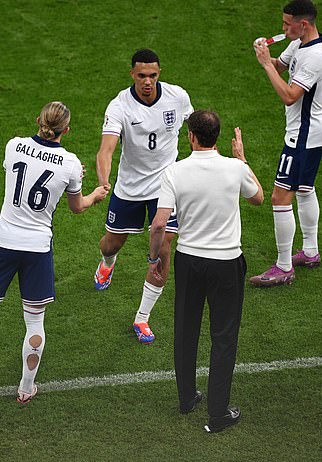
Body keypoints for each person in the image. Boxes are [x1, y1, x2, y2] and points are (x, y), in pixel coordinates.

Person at [0, 102, 109, 404]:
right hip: (38, 249)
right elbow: (76, 206)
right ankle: (26, 388)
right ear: (66, 130)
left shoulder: (14, 146)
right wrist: (94, 195)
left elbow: (29, 171)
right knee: (34, 321)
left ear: (38, 121)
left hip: (4, 241)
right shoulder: (70, 163)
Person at [148, 111, 264, 432]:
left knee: (186, 330)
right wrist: (242, 158)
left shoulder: (174, 172)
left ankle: (187, 399)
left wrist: (155, 257)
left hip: (189, 262)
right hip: (227, 263)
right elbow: (258, 197)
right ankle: (217, 413)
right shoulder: (235, 167)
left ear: (191, 137)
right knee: (223, 337)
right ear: (217, 137)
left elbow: (159, 223)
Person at [93, 48, 194, 344]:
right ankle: (107, 263)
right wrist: (103, 181)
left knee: (163, 248)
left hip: (167, 187)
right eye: (141, 76)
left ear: (159, 73)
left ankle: (142, 318)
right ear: (132, 75)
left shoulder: (177, 97)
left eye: (152, 75)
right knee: (113, 242)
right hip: (129, 188)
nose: (147, 81)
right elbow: (106, 149)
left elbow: (194, 129)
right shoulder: (119, 106)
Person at [250, 0, 322, 287]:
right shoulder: (298, 44)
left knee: (279, 197)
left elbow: (289, 95)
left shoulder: (315, 56)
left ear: (303, 24)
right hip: (310, 131)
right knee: (305, 189)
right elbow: (278, 67)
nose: (283, 28)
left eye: (287, 24)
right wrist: (265, 56)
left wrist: (264, 66)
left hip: (304, 135)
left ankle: (284, 267)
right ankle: (310, 251)